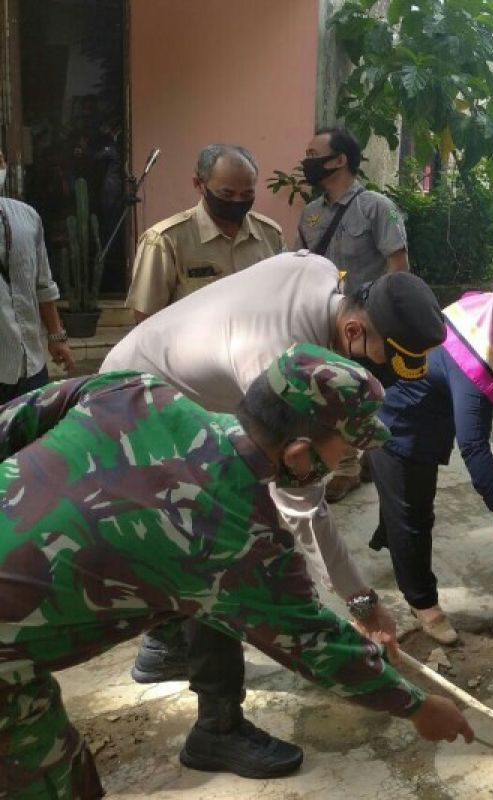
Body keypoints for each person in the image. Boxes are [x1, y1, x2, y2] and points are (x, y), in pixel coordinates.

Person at [0, 345, 472, 799]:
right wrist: (420, 707)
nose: (347, 461)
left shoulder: (134, 389)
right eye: (346, 448)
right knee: (53, 781)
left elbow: (15, 421)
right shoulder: (242, 538)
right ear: (299, 454)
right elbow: (318, 646)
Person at [101, 252, 446, 778]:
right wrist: (360, 600)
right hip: (137, 409)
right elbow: (303, 508)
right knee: (221, 553)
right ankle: (217, 729)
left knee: (209, 537)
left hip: (169, 387)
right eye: (377, 358)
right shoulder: (277, 358)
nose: (372, 370)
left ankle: (165, 646)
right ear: (353, 329)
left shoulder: (321, 275)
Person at [371, 273, 493, 644]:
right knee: (414, 516)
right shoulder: (477, 356)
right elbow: (474, 444)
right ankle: (423, 602)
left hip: (437, 409)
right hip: (402, 420)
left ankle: (392, 531)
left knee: (401, 505)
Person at [299, 126, 412, 500]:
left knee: (363, 393)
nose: (307, 161)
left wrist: (388, 323)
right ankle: (350, 464)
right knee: (334, 393)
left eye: (314, 153)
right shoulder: (311, 213)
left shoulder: (377, 207)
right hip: (325, 319)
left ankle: (354, 465)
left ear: (339, 160)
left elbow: (398, 266)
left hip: (367, 325)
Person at [125, 144, 283, 322]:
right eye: (227, 194)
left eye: (247, 195)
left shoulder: (270, 235)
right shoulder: (165, 240)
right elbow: (146, 317)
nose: (237, 201)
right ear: (199, 185)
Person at [0, 148, 75, 402]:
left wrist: (56, 337)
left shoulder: (27, 217)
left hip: (32, 365)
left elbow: (43, 285)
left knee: (35, 438)